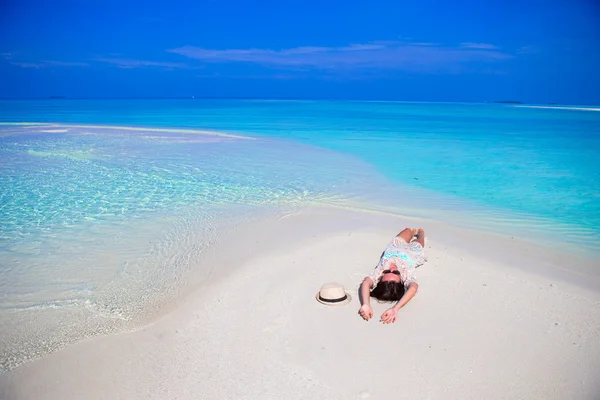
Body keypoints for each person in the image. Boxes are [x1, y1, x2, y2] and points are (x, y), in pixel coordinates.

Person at [359, 228, 426, 324]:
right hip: (413, 251)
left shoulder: (379, 272)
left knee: (408, 230)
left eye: (387, 272)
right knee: (418, 239)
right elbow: (413, 288)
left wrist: (365, 304)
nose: (392, 269)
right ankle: (421, 233)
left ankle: (413, 232)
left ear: (382, 277)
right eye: (396, 273)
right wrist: (395, 308)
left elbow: (366, 283)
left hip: (395, 246)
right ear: (401, 280)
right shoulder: (406, 276)